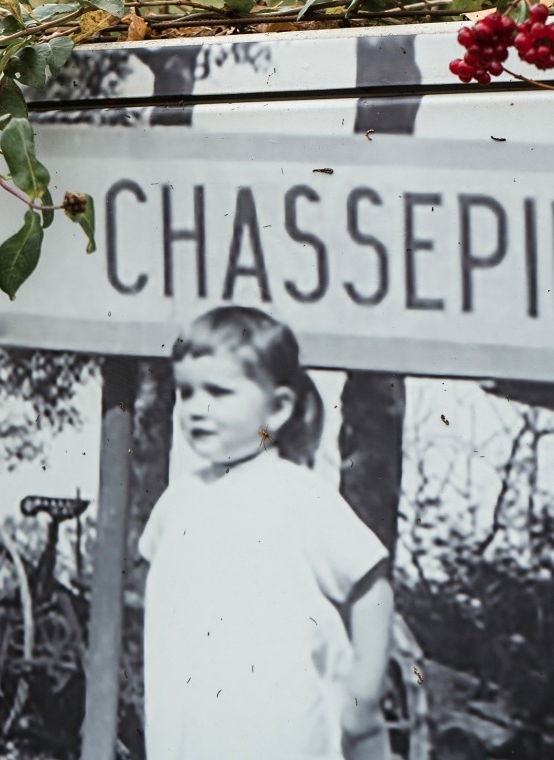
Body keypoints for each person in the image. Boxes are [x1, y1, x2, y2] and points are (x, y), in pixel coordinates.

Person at [139, 306, 395, 760]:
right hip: (189, 736)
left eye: (218, 391)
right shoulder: (177, 503)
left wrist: (363, 695)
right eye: (187, 393)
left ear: (277, 408)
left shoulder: (295, 494)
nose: (198, 408)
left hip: (282, 737)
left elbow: (371, 582)